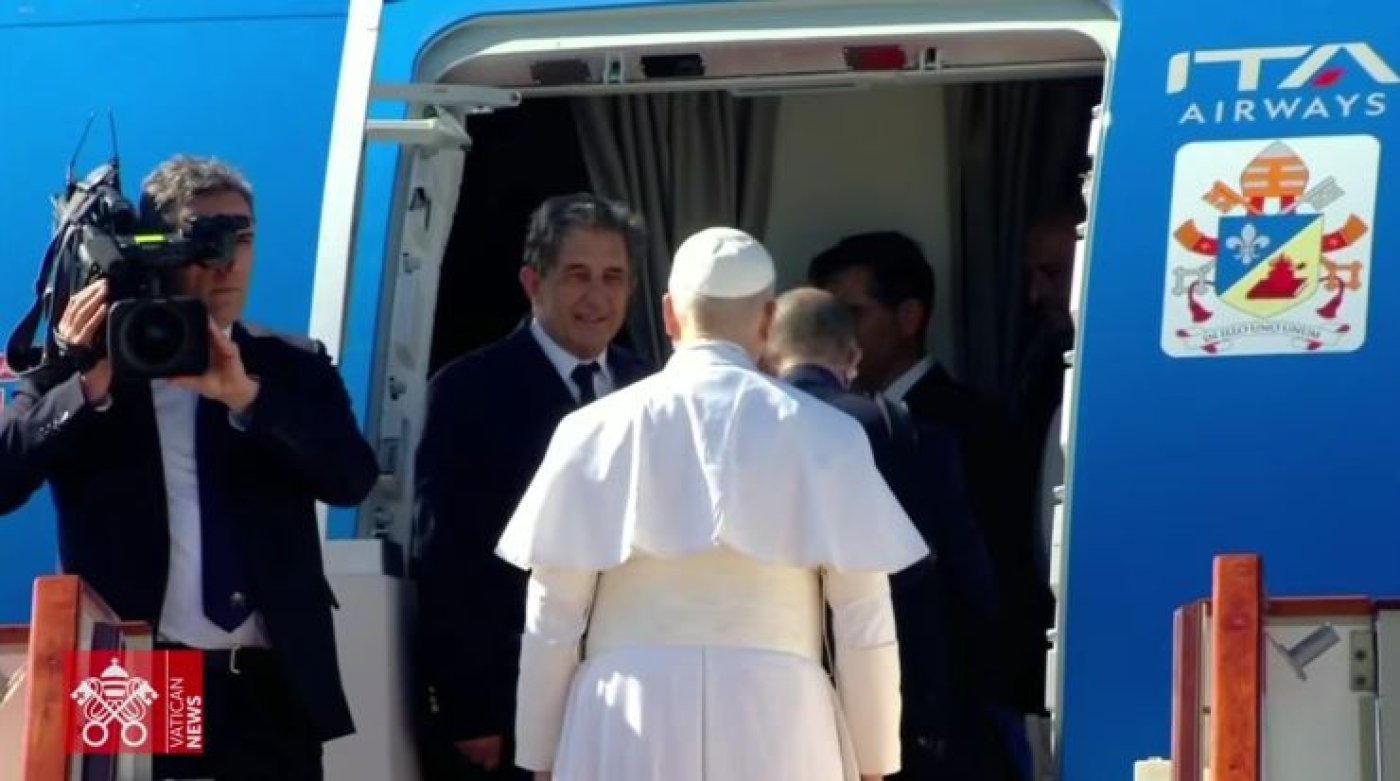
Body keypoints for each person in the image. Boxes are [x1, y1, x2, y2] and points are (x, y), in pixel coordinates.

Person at [495, 227, 930, 781]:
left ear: (669, 315)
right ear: (768, 320)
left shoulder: (590, 430)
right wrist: (874, 762)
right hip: (780, 715)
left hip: (627, 712)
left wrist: (541, 757)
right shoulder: (829, 435)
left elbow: (552, 617)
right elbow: (863, 619)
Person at [0, 154, 379, 779]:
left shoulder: (292, 365)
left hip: (265, 681)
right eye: (205, 241)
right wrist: (87, 385)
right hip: (144, 674)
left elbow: (351, 479)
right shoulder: (84, 368)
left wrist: (249, 398)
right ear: (157, 252)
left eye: (242, 237)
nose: (227, 262)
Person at [413, 193, 653, 779]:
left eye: (612, 277)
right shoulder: (469, 389)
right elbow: (448, 557)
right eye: (577, 275)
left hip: (634, 692)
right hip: (512, 699)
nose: (596, 297)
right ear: (532, 282)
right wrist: (470, 706)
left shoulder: (652, 387)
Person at [810, 231, 1052, 778]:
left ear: (909, 316)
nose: (834, 336)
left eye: (850, 314)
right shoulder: (816, 428)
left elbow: (990, 583)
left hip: (950, 721)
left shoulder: (969, 427)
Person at [764, 287, 1002, 779]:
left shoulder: (747, 437)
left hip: (778, 708)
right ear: (853, 357)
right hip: (900, 713)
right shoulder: (906, 435)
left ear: (766, 355)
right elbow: (971, 585)